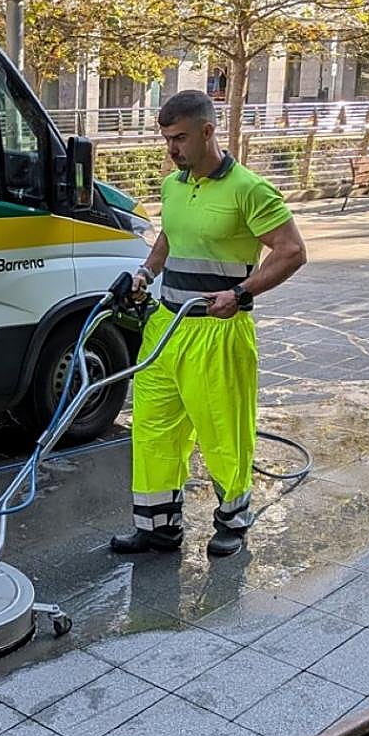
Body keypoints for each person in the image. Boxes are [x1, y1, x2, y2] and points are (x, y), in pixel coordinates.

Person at [110, 90, 307, 558]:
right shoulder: (174, 185)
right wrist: (144, 274)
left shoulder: (249, 189)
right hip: (166, 327)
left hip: (218, 332)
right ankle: (158, 527)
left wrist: (241, 294)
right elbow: (167, 238)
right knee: (154, 428)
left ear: (207, 131)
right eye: (166, 139)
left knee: (223, 430)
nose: (171, 149)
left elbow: (292, 251)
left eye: (179, 138)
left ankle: (232, 523)